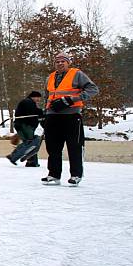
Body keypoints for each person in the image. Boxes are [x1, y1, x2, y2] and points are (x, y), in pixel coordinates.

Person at [41, 52, 99, 186]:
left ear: (68, 63)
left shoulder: (77, 74)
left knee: (74, 146)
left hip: (71, 116)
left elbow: (93, 89)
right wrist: (45, 112)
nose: (60, 64)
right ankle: (54, 175)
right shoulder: (50, 77)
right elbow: (47, 96)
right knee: (53, 148)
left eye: (63, 61)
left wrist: (71, 100)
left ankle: (76, 175)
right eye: (57, 62)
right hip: (53, 116)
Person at [7, 91, 43, 167]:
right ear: (34, 96)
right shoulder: (28, 102)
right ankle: (13, 156)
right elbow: (33, 112)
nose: (39, 99)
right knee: (30, 143)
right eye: (38, 97)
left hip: (23, 126)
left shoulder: (28, 102)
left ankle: (32, 162)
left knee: (30, 143)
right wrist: (42, 112)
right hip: (25, 126)